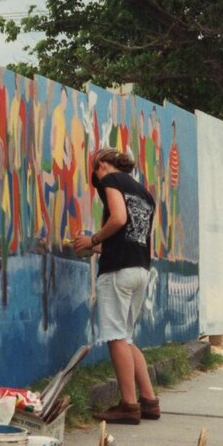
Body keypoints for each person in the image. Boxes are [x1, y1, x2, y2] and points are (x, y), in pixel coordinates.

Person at [74, 146, 160, 424]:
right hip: (140, 270)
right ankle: (148, 400)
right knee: (127, 337)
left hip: (118, 272)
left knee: (115, 336)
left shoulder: (110, 180)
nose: (97, 182)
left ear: (101, 164)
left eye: (94, 173)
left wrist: (93, 240)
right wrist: (101, 248)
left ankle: (128, 404)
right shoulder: (145, 195)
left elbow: (119, 218)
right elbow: (136, 236)